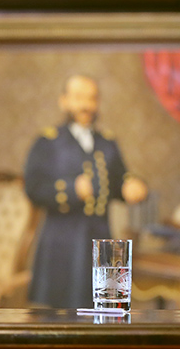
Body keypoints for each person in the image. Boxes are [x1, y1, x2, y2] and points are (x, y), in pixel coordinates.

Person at [24, 74, 148, 308]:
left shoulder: (107, 142)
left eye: (92, 98)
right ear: (64, 101)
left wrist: (132, 186)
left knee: (106, 310)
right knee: (57, 318)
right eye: (79, 97)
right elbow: (33, 187)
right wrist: (72, 190)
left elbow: (120, 179)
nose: (86, 105)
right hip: (61, 245)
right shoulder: (48, 142)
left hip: (103, 242)